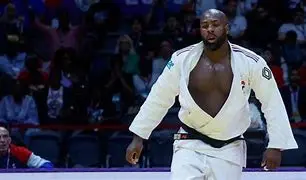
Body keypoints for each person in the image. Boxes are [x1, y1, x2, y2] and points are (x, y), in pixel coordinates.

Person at [126, 9, 298, 180]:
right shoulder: (181, 59)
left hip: (229, 148)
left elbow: (272, 102)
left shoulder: (251, 62)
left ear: (227, 28)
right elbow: (159, 98)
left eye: (215, 25)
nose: (210, 29)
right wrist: (139, 136)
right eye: (205, 25)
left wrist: (275, 145)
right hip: (189, 143)